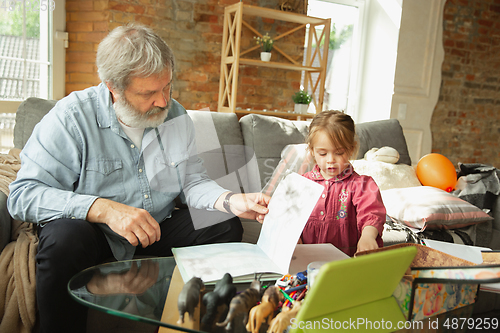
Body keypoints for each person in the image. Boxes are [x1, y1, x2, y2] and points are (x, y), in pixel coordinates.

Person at [7, 23, 270, 333]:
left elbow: (192, 182)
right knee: (64, 238)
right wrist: (104, 209)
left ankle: (182, 323)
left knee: (223, 223)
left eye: (167, 87)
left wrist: (231, 200)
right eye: (148, 93)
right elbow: (23, 195)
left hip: (153, 234)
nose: (163, 102)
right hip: (95, 237)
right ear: (112, 88)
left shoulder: (177, 116)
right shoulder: (70, 118)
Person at [300, 110, 385, 257]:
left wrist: (368, 236)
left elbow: (371, 213)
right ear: (312, 151)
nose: (331, 160)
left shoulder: (361, 184)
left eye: (339, 152)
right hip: (305, 260)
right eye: (323, 153)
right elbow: (288, 217)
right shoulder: (302, 183)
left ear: (351, 149)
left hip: (346, 261)